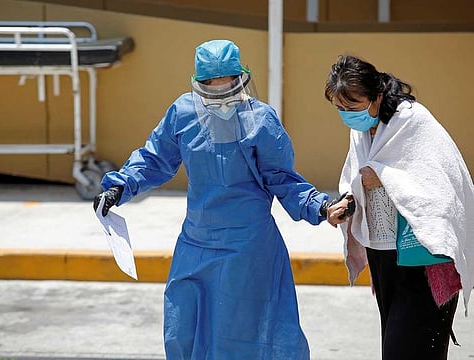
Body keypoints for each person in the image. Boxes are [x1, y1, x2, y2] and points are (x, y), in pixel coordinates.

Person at [94, 39, 352, 359]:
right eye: (211, 86)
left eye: (226, 85)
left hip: (248, 246)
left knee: (246, 332)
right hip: (197, 241)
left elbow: (282, 179)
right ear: (198, 84)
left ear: (240, 78)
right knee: (181, 326)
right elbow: (154, 159)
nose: (219, 93)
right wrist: (119, 187)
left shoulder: (261, 120)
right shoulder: (182, 113)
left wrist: (321, 206)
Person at [324, 54, 474, 360]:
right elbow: (356, 177)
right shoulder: (362, 130)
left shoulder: (412, 121)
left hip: (422, 256)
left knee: (408, 348)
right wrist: (348, 202)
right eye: (340, 109)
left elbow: (440, 182)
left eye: (352, 107)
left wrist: (383, 176)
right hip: (384, 257)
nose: (346, 115)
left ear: (377, 97)